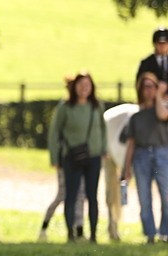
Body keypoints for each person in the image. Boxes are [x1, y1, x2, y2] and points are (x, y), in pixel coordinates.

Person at [48, 72, 107, 243]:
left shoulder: (96, 106)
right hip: (71, 157)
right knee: (71, 196)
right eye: (81, 85)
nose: (84, 89)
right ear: (74, 87)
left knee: (92, 196)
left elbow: (103, 130)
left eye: (87, 85)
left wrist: (104, 149)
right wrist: (55, 158)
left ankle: (94, 235)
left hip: (93, 156)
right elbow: (55, 133)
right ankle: (70, 234)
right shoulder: (65, 107)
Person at [120, 72, 168, 244]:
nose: (148, 90)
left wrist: (159, 96)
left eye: (152, 86)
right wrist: (126, 169)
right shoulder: (135, 117)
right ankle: (149, 234)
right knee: (144, 198)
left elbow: (163, 115)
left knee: (166, 195)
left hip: (162, 155)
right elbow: (131, 144)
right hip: (141, 157)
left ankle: (165, 232)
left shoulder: (163, 109)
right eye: (145, 87)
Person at [37, 169, 85, 242]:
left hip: (80, 165)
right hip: (64, 166)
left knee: (80, 197)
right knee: (61, 196)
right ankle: (44, 228)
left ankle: (80, 232)